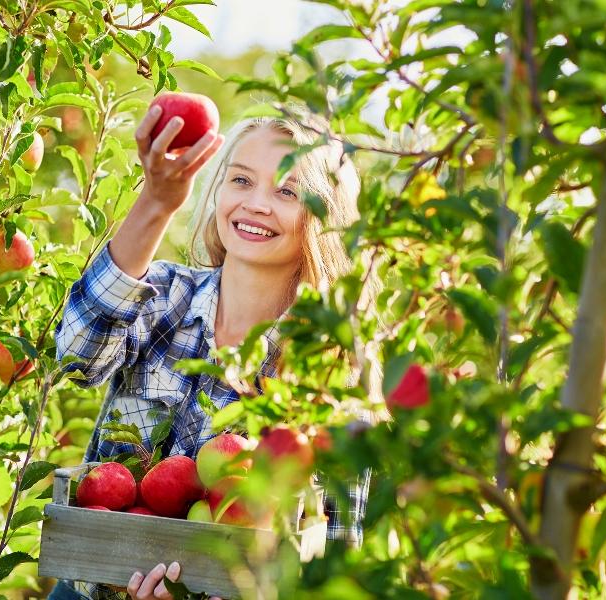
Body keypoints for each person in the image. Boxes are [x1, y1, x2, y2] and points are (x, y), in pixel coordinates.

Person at [48, 102, 379, 600]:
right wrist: (157, 201)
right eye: (241, 180)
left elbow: (334, 555)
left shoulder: (331, 368)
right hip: (92, 588)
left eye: (287, 191)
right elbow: (77, 356)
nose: (256, 204)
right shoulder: (161, 297)